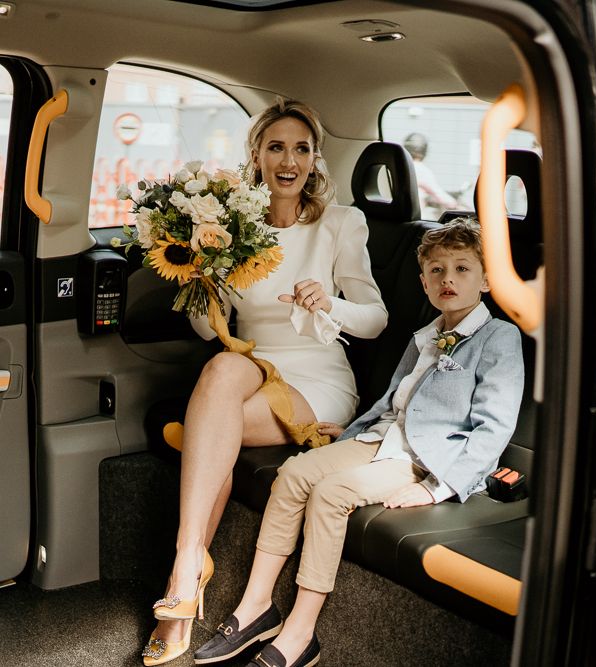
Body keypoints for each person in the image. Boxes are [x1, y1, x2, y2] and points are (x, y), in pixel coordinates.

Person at [192, 218, 525, 667]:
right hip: (381, 437)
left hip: (427, 459)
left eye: (463, 269)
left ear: (487, 279)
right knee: (293, 474)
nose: (448, 279)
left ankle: (300, 632)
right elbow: (393, 401)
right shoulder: (424, 336)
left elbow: (494, 427)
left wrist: (435, 486)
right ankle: (256, 606)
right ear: (423, 280)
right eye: (437, 270)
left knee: (331, 493)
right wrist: (345, 437)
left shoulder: (499, 338)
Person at [141, 98, 388, 666]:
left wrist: (334, 305)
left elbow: (376, 318)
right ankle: (188, 561)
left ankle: (182, 580)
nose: (289, 160)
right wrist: (204, 278)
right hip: (249, 364)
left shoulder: (341, 222)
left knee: (212, 425)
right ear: (256, 155)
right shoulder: (230, 229)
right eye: (276, 146)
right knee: (223, 367)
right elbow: (211, 330)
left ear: (315, 159)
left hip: (319, 375)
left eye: (302, 148)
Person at [403, 132, 458, 218]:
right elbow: (439, 194)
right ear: (424, 150)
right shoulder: (421, 169)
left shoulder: (401, 166)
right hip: (413, 217)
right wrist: (454, 204)